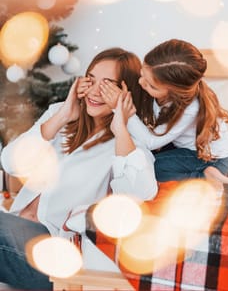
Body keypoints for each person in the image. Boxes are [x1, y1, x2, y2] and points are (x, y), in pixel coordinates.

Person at [0, 48, 157, 290]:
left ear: (127, 93)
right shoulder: (60, 116)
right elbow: (10, 162)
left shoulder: (127, 145)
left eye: (108, 85)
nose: (94, 91)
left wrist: (121, 127)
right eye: (91, 80)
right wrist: (63, 115)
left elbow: (141, 194)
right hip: (14, 229)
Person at [99, 39, 228, 187]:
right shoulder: (159, 83)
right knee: (142, 157)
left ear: (174, 93)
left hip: (209, 157)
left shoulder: (189, 109)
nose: (141, 82)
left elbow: (151, 142)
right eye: (142, 73)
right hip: (181, 144)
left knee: (152, 169)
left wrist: (121, 109)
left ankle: (204, 176)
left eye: (151, 86)